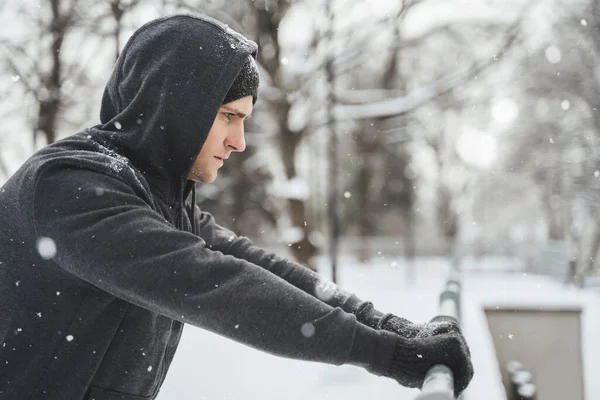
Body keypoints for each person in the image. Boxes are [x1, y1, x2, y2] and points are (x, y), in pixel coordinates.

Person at [0, 13, 473, 400]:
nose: (240, 141)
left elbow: (249, 262)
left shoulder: (157, 194)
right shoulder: (69, 187)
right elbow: (214, 284)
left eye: (244, 120)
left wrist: (387, 324)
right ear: (173, 106)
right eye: (229, 116)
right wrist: (386, 352)